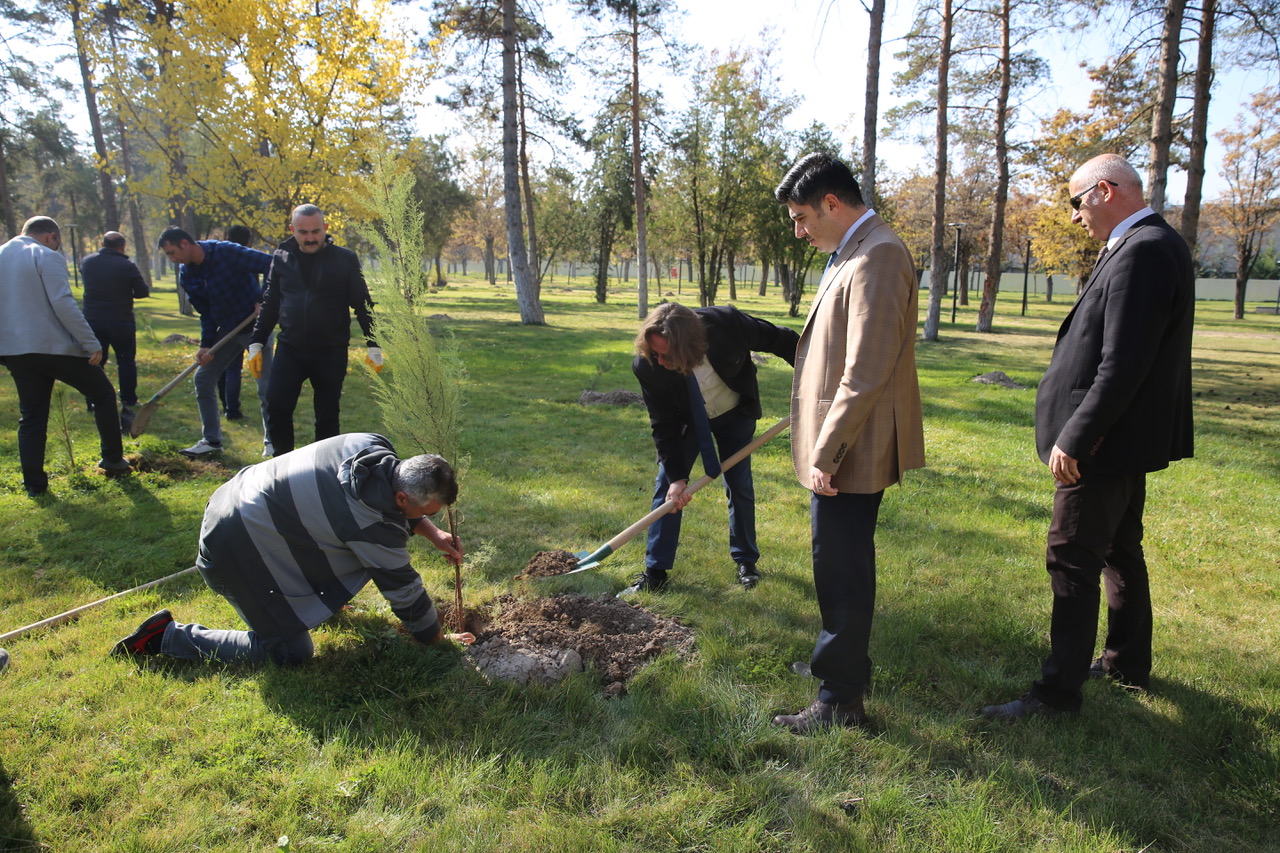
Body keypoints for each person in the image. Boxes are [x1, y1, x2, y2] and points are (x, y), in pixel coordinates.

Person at [981, 154, 1194, 721]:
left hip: (1103, 447)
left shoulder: (1145, 249)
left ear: (1104, 191)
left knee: (1072, 557)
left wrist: (1076, 438)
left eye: (1077, 203)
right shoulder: (1146, 244)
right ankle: (1126, 662)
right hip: (1120, 442)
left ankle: (1055, 696)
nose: (1074, 217)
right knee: (1121, 550)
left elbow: (1123, 362)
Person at [770, 153, 925, 734]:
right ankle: (840, 666)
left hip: (852, 450)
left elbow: (865, 370)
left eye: (803, 217)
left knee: (842, 569)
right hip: (842, 443)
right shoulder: (855, 250)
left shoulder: (879, 254)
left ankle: (841, 700)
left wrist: (826, 452)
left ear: (833, 204)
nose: (799, 230)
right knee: (836, 564)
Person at [111, 432, 474, 664]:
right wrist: (436, 638)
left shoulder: (369, 445)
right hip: (233, 551)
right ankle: (168, 637)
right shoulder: (369, 526)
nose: (433, 518)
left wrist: (432, 533)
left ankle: (309, 599)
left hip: (235, 502)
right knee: (290, 652)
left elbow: (393, 508)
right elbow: (404, 591)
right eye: (430, 513)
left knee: (348, 551)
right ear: (401, 495)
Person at [620, 302, 799, 596]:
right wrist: (678, 477)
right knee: (668, 487)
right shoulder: (648, 365)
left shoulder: (727, 324)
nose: (661, 361)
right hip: (686, 422)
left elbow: (782, 340)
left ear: (693, 345)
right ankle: (656, 572)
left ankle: (746, 562)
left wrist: (817, 375)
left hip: (734, 413)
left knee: (739, 485)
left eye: (668, 355)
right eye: (655, 353)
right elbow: (662, 422)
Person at [0, 216, 132, 495]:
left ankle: (34, 484)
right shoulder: (45, 255)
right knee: (103, 393)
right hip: (53, 347)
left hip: (15, 350)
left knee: (32, 416)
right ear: (51, 237)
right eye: (58, 242)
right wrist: (90, 343)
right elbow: (63, 302)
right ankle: (112, 460)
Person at [248, 204, 380, 456]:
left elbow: (362, 302)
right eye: (303, 232)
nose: (310, 238)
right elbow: (270, 303)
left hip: (330, 350)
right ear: (292, 230)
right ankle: (281, 465)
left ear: (326, 229)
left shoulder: (345, 259)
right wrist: (256, 341)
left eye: (316, 231)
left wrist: (374, 343)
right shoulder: (281, 259)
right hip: (291, 348)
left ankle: (323, 469)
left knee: (327, 415)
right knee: (277, 407)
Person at [157, 226, 273, 457]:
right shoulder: (187, 273)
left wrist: (264, 299)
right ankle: (211, 441)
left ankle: (273, 442)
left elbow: (273, 265)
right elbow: (206, 312)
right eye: (167, 255)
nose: (172, 259)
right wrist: (206, 344)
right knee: (203, 378)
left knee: (265, 387)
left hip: (255, 329)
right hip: (228, 329)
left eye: (172, 252)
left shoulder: (227, 252)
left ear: (185, 243)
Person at [80, 231, 150, 433]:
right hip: (120, 321)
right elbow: (142, 292)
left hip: (93, 320)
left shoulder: (87, 262)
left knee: (95, 361)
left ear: (102, 244)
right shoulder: (126, 266)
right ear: (122, 246)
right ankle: (128, 398)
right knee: (126, 360)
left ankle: (92, 399)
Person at [216, 224, 267, 422]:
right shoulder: (246, 258)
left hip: (232, 320)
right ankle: (232, 409)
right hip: (241, 322)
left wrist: (260, 302)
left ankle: (228, 406)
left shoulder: (219, 258)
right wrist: (260, 300)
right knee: (232, 368)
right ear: (248, 242)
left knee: (228, 367)